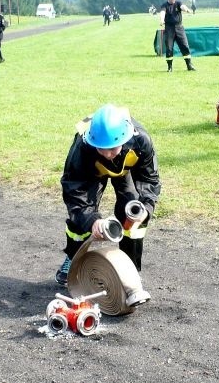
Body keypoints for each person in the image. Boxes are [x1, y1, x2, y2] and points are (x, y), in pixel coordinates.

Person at [55, 104, 161, 286]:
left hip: (126, 167)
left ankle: (129, 269)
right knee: (79, 220)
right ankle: (73, 258)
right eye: (101, 148)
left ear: (124, 139)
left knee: (135, 212)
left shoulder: (141, 141)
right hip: (91, 171)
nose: (107, 154)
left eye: (112, 148)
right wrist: (92, 220)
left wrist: (146, 208)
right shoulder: (83, 147)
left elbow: (149, 180)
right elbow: (75, 191)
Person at [157, 0, 195, 72]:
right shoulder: (164, 5)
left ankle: (189, 65)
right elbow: (162, 12)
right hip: (169, 29)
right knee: (169, 48)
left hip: (179, 28)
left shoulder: (178, 3)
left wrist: (187, 10)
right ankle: (169, 67)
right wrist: (161, 20)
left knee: (185, 46)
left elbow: (183, 7)